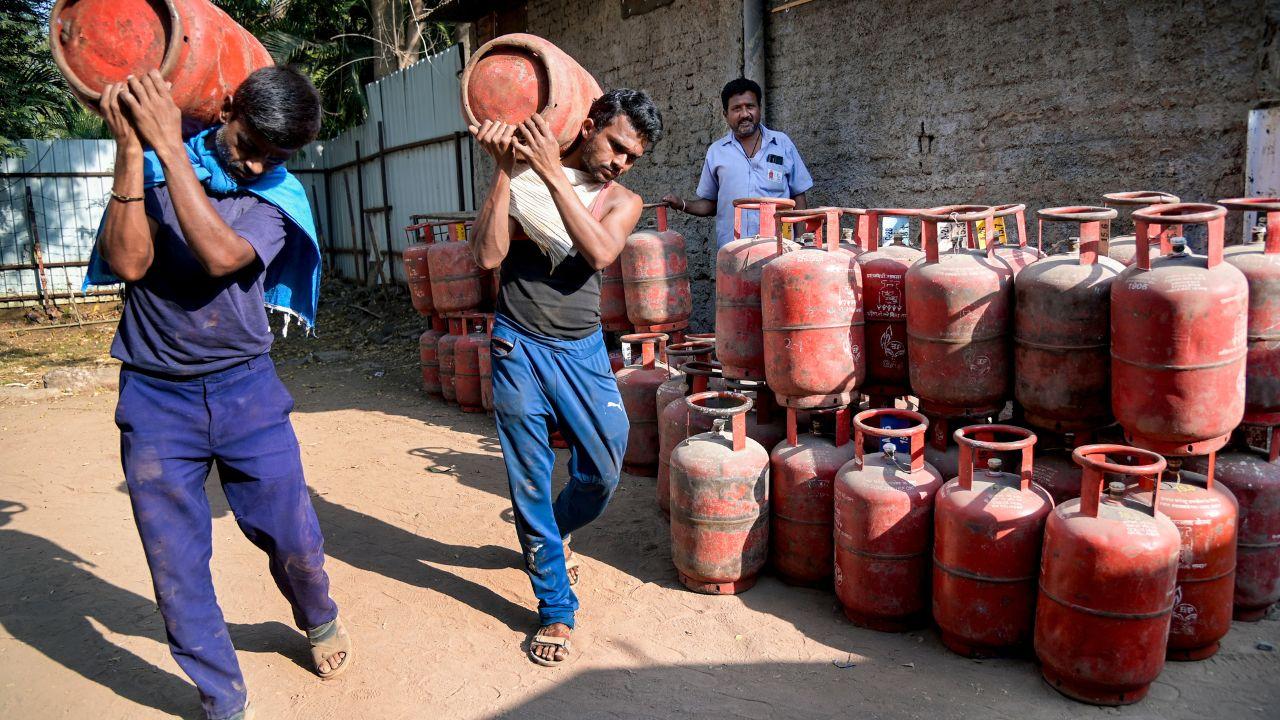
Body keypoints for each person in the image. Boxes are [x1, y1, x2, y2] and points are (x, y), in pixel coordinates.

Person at [85, 67, 349, 720]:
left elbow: (222, 257)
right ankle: (222, 699)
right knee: (175, 567)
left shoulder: (276, 195)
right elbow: (128, 264)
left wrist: (168, 150)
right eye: (250, 142)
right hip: (155, 399)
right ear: (227, 108)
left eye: (275, 154)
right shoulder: (147, 166)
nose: (259, 161)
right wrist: (131, 152)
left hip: (246, 393)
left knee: (293, 537)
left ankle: (316, 615)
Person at [468, 89, 663, 666]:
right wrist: (506, 173)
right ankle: (555, 605)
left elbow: (601, 250)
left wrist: (554, 175)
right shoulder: (523, 176)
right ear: (591, 123)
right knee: (528, 476)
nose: (621, 162)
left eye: (633, 156)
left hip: (581, 351)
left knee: (604, 468)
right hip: (516, 343)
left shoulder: (621, 198)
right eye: (617, 146)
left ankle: (550, 536)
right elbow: (485, 256)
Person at [662, 77, 813, 248]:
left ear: (759, 109)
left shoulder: (782, 144)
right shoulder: (716, 152)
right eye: (736, 109)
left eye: (750, 106)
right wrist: (682, 204)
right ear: (725, 114)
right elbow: (711, 204)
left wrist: (802, 243)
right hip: (733, 252)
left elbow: (798, 196)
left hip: (778, 248)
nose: (744, 114)